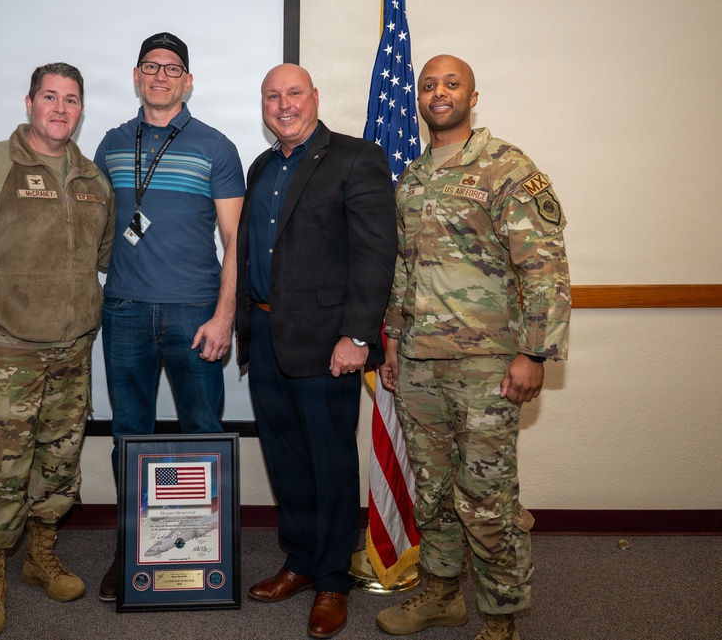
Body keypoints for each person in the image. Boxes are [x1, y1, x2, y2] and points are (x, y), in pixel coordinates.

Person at [374, 55, 571, 640]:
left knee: (486, 498)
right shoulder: (412, 177)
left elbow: (544, 268)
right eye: (429, 84)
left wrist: (534, 353)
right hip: (416, 362)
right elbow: (400, 271)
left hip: (487, 366)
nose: (439, 92)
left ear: (472, 95)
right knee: (432, 490)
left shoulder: (507, 168)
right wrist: (391, 341)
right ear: (419, 98)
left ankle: (502, 619)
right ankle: (441, 595)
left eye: (450, 83)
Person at [0, 62, 114, 638]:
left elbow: (102, 258)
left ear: (82, 110)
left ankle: (40, 558)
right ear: (29, 102)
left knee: (57, 465)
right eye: (50, 97)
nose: (61, 108)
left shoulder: (92, 180)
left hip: (71, 351)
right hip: (3, 349)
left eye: (72, 99)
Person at [235, 63, 396, 639]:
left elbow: (376, 255)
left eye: (293, 93)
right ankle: (300, 562)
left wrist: (357, 338)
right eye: (272, 95)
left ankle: (333, 580)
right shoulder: (261, 167)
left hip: (330, 346)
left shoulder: (356, 157)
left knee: (329, 464)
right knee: (287, 464)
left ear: (315, 98)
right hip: (268, 338)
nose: (283, 104)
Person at [92, 32, 245, 601]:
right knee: (127, 436)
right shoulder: (109, 144)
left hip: (195, 313)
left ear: (187, 80)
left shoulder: (216, 146)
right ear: (137, 76)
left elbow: (235, 241)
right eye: (151, 67)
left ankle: (209, 555)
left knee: (203, 435)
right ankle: (129, 549)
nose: (161, 76)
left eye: (172, 68)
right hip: (125, 312)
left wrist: (225, 315)